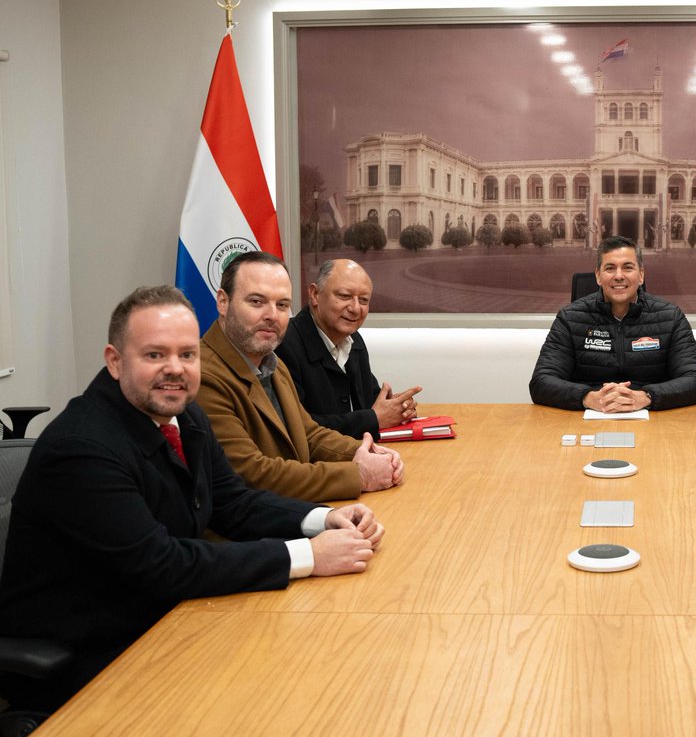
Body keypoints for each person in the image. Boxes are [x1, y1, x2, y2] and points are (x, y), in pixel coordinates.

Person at [0, 286, 383, 714]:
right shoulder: (81, 447)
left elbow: (232, 503)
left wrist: (323, 519)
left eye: (187, 354)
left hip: (168, 622)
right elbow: (162, 565)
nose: (175, 369)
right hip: (91, 658)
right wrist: (309, 556)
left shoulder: (180, 413)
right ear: (114, 360)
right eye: (154, 355)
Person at [196, 252, 403, 502]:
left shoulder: (272, 364)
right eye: (257, 302)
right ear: (223, 302)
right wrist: (358, 475)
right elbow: (252, 474)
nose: (272, 315)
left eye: (282, 305)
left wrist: (369, 451)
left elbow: (309, 435)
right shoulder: (202, 376)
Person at [529, 236, 696, 412]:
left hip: (653, 418)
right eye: (610, 268)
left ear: (641, 275)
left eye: (628, 268)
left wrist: (646, 397)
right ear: (598, 276)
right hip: (588, 417)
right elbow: (541, 381)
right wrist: (588, 398)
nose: (619, 276)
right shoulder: (570, 318)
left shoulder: (671, 317)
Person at [276, 258, 421, 439]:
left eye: (364, 300)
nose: (355, 308)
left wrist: (398, 407)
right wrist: (374, 418)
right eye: (344, 296)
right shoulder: (283, 344)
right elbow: (298, 427)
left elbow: (370, 402)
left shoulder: (354, 340)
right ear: (315, 294)